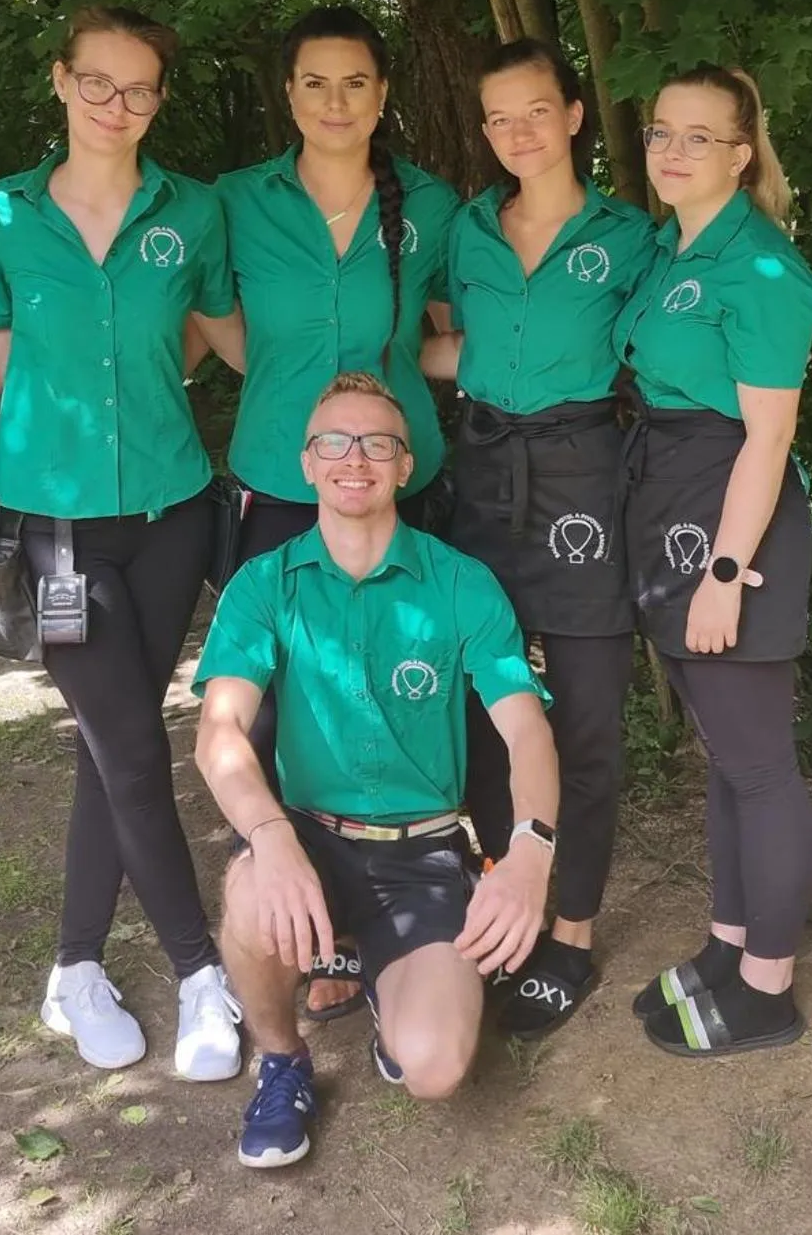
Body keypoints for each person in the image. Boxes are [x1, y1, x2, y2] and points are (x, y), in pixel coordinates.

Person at [0, 5, 242, 1079]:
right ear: (60, 80)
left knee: (108, 742)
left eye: (137, 88)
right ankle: (197, 974)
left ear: (159, 98)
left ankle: (73, 969)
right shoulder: (3, 210)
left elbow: (220, 335)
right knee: (131, 746)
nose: (115, 105)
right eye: (97, 83)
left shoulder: (195, 209)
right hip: (51, 523)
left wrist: (348, 368)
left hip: (173, 510)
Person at [192, 372, 558, 1168]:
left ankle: (386, 988)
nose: (354, 457)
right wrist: (269, 834)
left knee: (435, 1067)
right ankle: (283, 1060)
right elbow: (217, 729)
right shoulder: (263, 584)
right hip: (310, 839)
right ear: (308, 462)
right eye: (335, 441)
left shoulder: (462, 583)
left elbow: (526, 728)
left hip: (421, 850)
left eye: (377, 444)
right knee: (253, 890)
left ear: (404, 466)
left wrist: (531, 848)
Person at [200, 5, 460, 1020]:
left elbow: (452, 334)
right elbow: (217, 325)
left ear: (382, 95)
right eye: (315, 81)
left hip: (404, 482)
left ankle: (375, 923)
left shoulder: (429, 207)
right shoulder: (235, 202)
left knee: (395, 699)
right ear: (288, 93)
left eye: (356, 81)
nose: (336, 101)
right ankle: (282, 920)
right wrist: (280, 382)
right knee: (272, 715)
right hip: (278, 483)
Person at [421, 38, 656, 1034]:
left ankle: (569, 931)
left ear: (570, 114)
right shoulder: (464, 229)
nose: (517, 132)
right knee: (475, 705)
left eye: (535, 111)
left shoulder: (631, 235)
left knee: (587, 716)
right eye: (497, 117)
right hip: (480, 472)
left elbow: (667, 355)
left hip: (584, 479)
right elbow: (433, 335)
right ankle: (498, 895)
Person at [613, 65, 812, 1057]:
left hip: (732, 520)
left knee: (758, 765)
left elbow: (766, 440)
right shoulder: (669, 245)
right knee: (724, 760)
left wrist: (725, 574)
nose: (673, 151)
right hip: (672, 503)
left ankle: (768, 989)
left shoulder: (766, 270)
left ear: (742, 154)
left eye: (700, 137)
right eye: (662, 130)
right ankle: (728, 948)